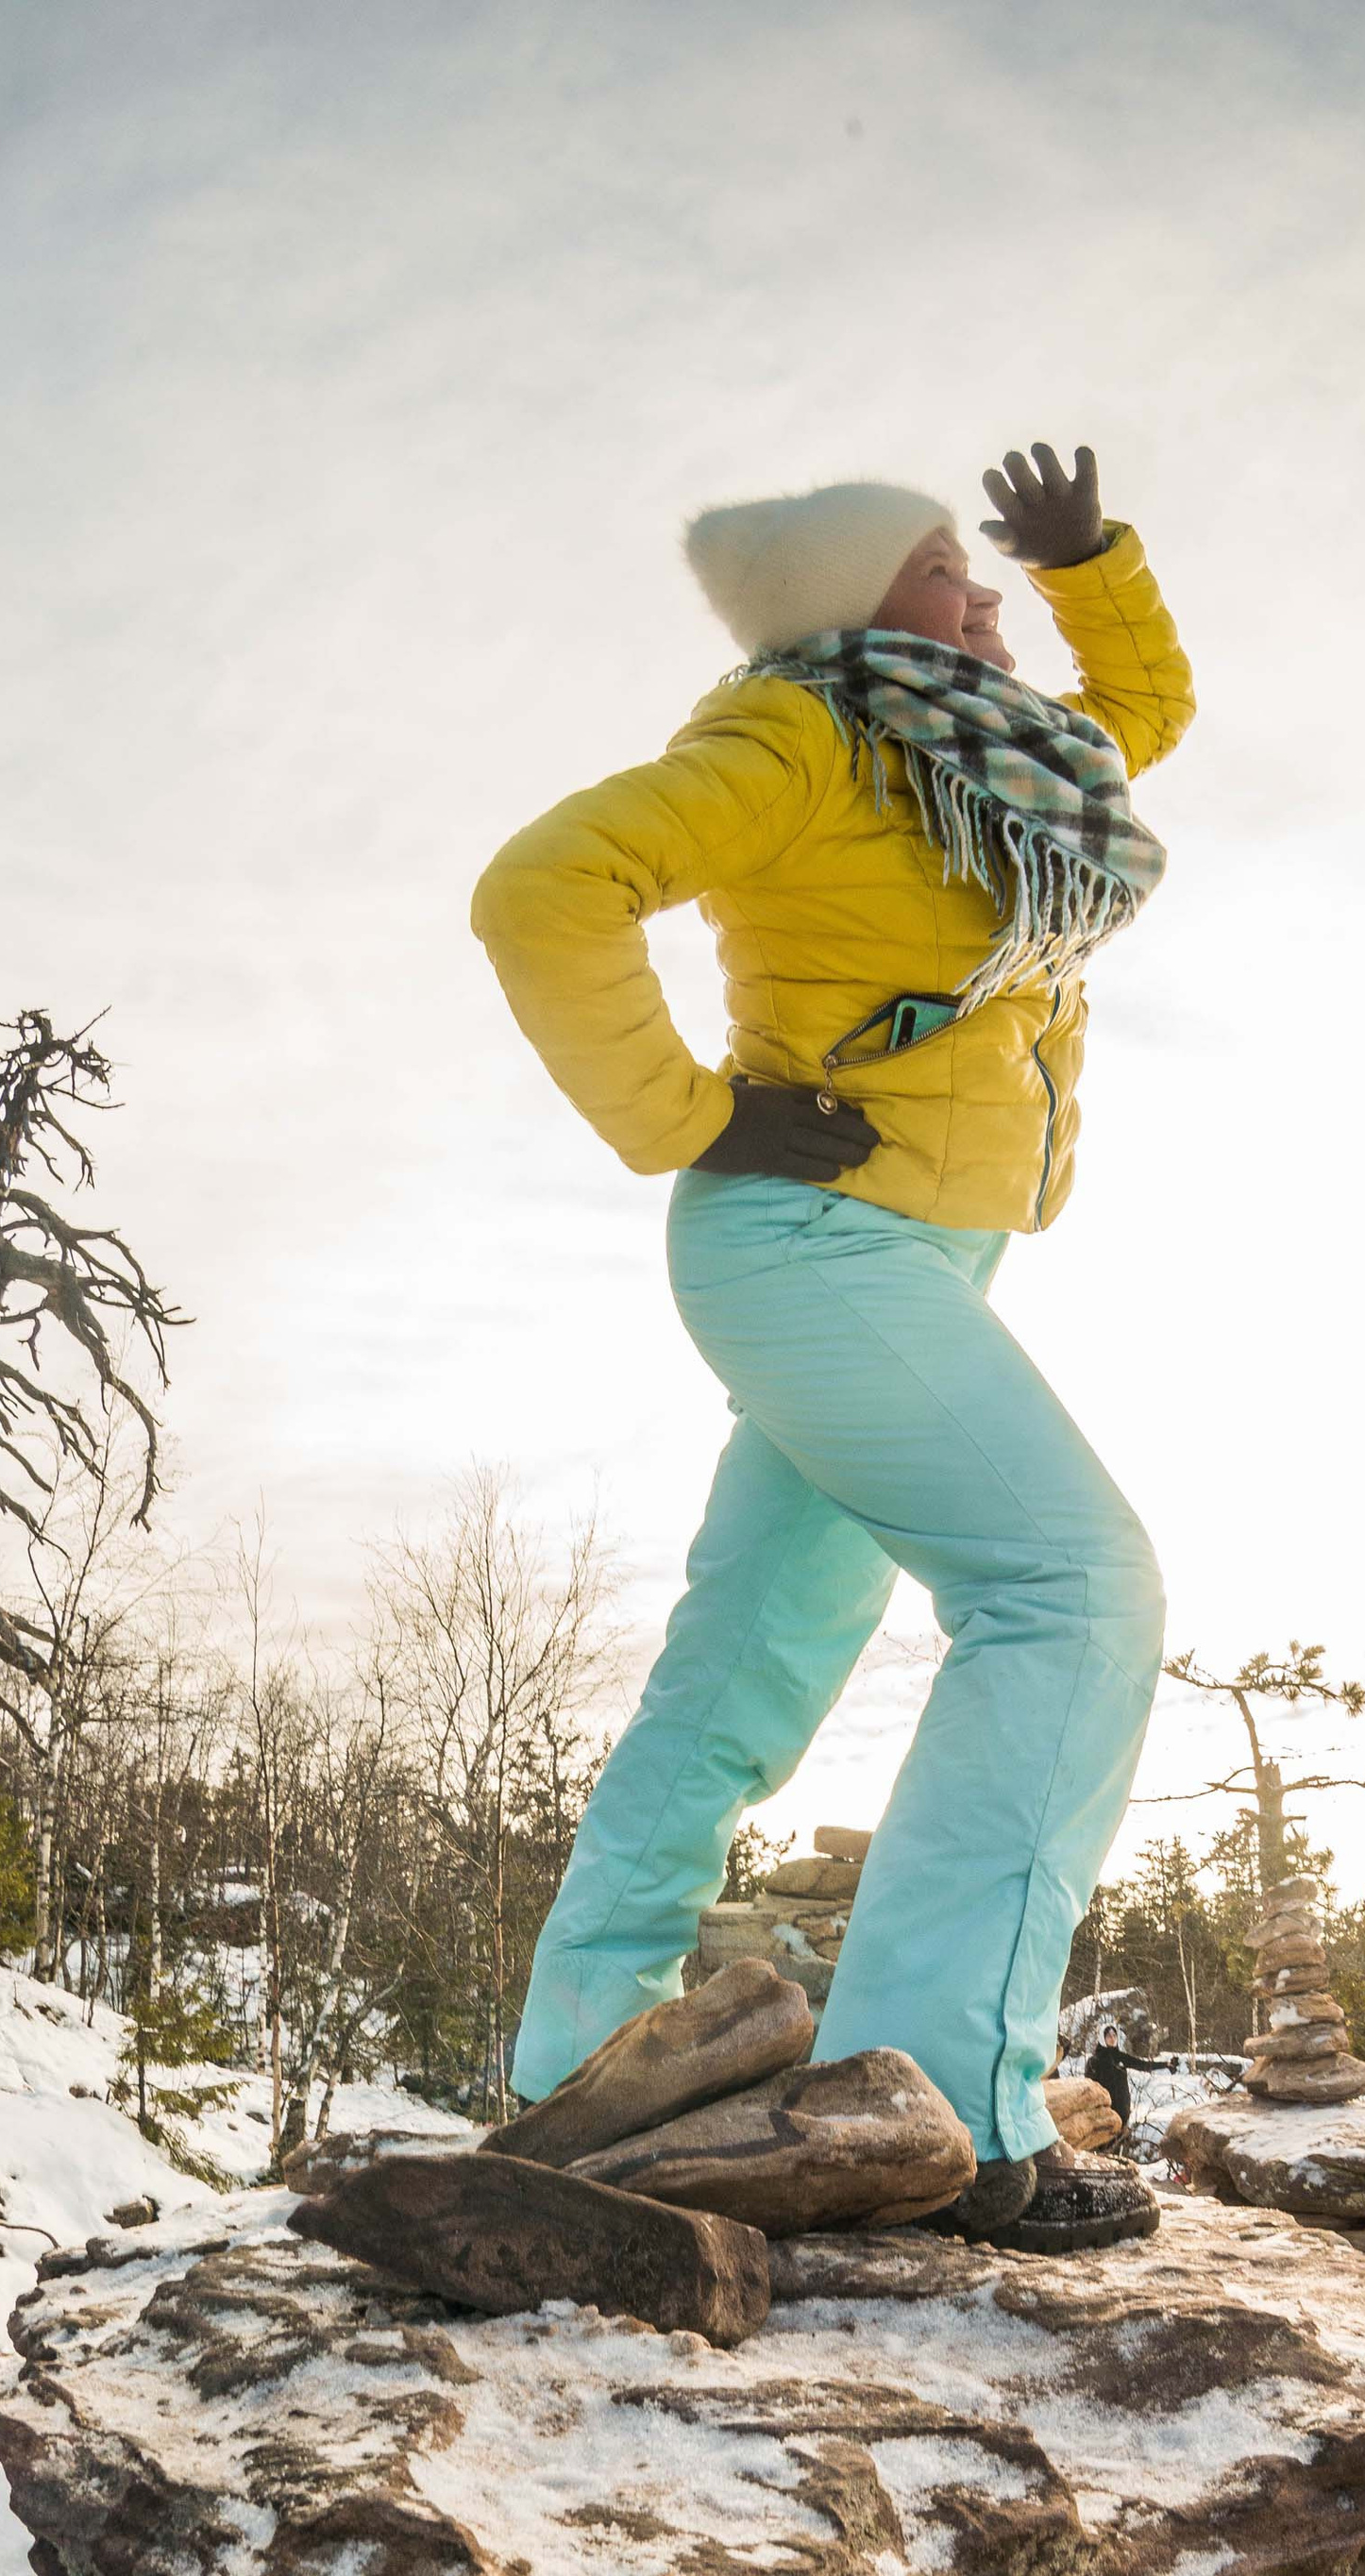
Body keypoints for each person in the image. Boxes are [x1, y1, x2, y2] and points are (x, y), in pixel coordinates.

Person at [471, 443, 1193, 2248]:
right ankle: (950, 2107)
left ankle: (586, 2056)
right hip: (812, 1240)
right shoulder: (794, 736)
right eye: (954, 569)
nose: (989, 597)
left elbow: (1143, 712)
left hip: (905, 1261)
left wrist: (1091, 557)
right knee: (1071, 1592)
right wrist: (690, 1113)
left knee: (748, 1666)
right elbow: (541, 887)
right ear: (858, 604)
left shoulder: (987, 752)